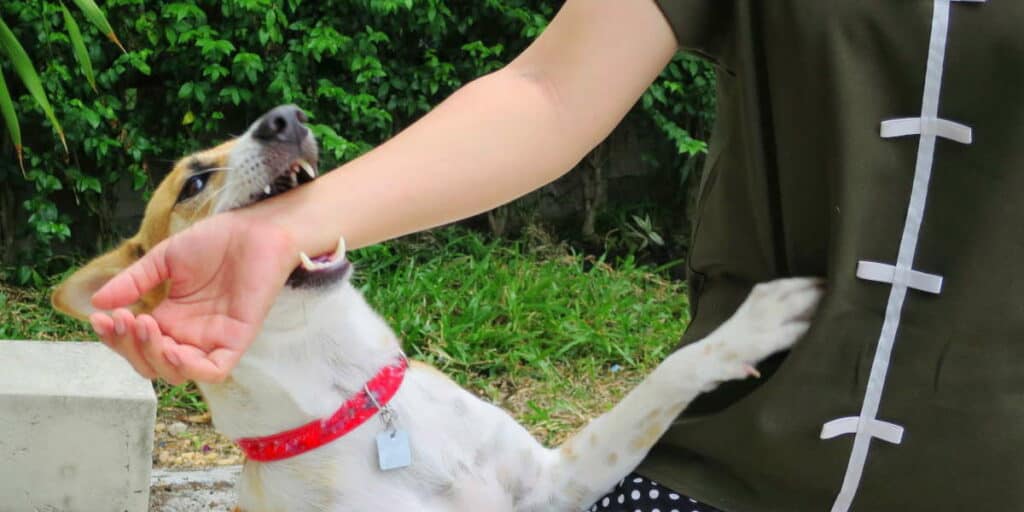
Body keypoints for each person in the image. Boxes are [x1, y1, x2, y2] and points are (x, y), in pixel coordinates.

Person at [88, 1, 1024, 511]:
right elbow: (547, 87)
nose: (276, 130)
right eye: (198, 187)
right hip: (736, 473)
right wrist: (280, 227)